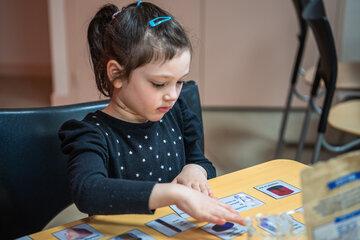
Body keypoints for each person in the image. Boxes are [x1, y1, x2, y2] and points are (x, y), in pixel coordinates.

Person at [59, 1, 244, 225]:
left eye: (179, 82)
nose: (172, 95)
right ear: (117, 74)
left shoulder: (177, 112)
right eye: (159, 84)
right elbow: (88, 191)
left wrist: (195, 170)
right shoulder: (91, 134)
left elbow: (199, 159)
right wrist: (174, 193)